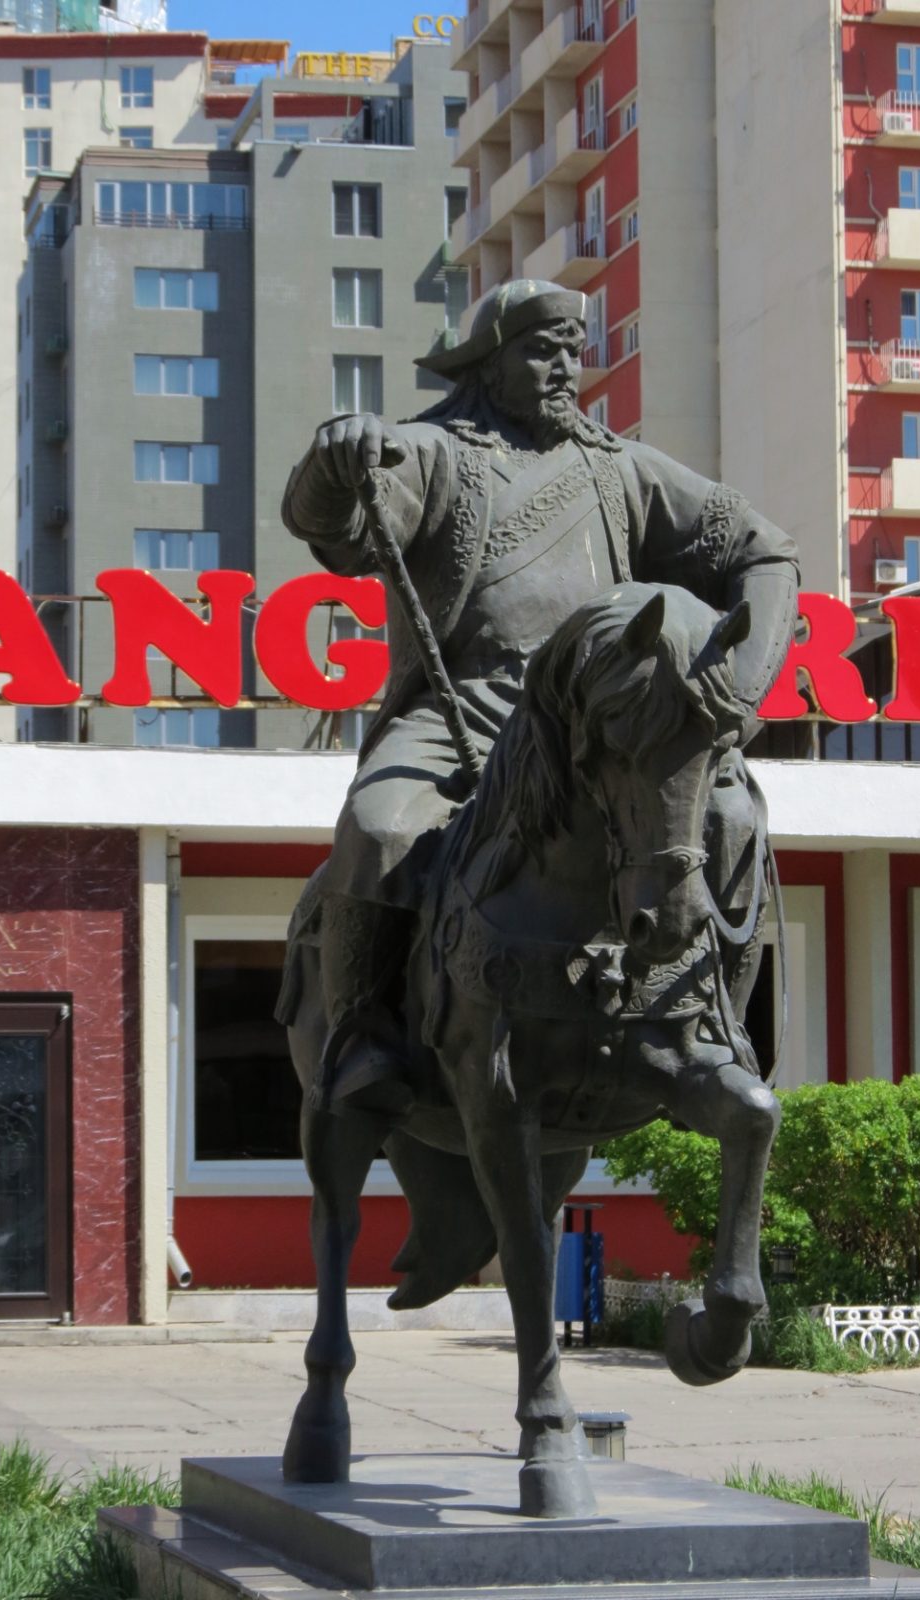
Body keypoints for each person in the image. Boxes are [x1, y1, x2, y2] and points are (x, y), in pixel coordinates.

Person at [280, 278, 799, 1112]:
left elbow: (763, 549)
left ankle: (706, 1018)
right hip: (465, 712)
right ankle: (359, 1032)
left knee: (733, 820)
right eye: (539, 349)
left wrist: (737, 690)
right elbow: (329, 528)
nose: (563, 368)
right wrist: (334, 458)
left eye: (572, 350)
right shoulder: (435, 451)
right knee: (377, 829)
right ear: (488, 365)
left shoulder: (620, 468)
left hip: (603, 721)